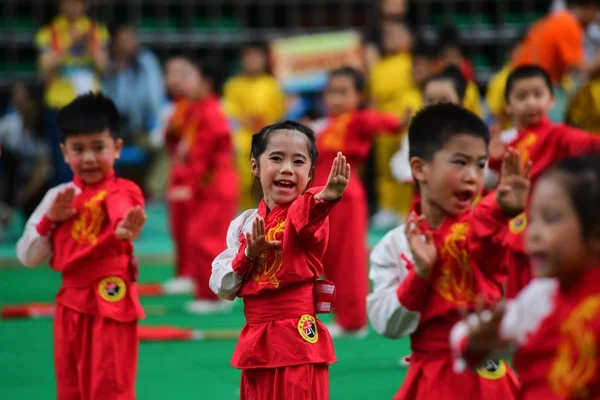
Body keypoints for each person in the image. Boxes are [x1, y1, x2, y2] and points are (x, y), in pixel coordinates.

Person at [367, 103, 528, 399]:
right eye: (460, 162)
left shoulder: (483, 227)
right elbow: (386, 324)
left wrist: (504, 211)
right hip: (432, 376)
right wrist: (421, 275)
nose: (472, 176)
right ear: (419, 168)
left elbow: (492, 253)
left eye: (480, 165)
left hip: (488, 375)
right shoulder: (394, 244)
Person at [15, 92, 146, 400]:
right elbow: (27, 257)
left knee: (110, 385)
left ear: (117, 149)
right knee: (70, 386)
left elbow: (120, 210)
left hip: (109, 299)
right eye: (78, 149)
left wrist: (123, 227)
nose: (88, 158)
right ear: (64, 153)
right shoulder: (57, 197)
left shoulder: (123, 191)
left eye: (98, 147)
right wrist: (51, 220)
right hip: (69, 304)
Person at [209, 121, 349, 399]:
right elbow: (222, 286)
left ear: (310, 175)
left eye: (298, 161)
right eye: (276, 158)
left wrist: (325, 200)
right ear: (254, 166)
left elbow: (307, 217)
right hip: (257, 340)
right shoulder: (245, 223)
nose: (287, 168)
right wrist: (248, 254)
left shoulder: (306, 217)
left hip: (296, 344)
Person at [451, 155, 600, 400]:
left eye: (550, 219)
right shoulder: (543, 296)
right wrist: (475, 342)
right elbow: (466, 337)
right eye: (532, 219)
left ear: (595, 236)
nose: (533, 233)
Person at [485, 65, 600, 298]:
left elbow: (591, 143)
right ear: (508, 105)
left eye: (537, 95)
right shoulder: (511, 141)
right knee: (517, 302)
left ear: (551, 100)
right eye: (522, 96)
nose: (530, 103)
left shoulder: (559, 134)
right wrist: (495, 160)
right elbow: (499, 183)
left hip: (545, 234)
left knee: (544, 298)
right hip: (514, 236)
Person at [314, 67, 408, 337]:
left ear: (359, 96)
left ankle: (353, 321)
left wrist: (398, 123)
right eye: (332, 92)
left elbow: (376, 121)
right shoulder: (325, 125)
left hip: (345, 195)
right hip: (320, 198)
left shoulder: (356, 120)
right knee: (325, 257)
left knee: (348, 258)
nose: (336, 98)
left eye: (344, 92)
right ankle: (332, 311)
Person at [172, 58, 240, 314]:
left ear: (206, 83)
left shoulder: (211, 112)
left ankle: (217, 295)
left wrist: (190, 184)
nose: (189, 85)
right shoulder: (198, 109)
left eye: (194, 79)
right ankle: (209, 292)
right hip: (208, 182)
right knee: (199, 236)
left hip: (215, 183)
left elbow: (203, 154)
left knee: (205, 237)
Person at [35, 0, 109, 184]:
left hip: (90, 105)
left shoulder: (96, 30)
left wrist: (90, 46)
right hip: (60, 104)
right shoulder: (49, 32)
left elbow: (103, 67)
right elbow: (44, 68)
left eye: (78, 3)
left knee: (92, 158)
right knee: (63, 160)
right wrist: (70, 43)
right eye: (68, 3)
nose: (73, 7)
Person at [223, 42, 286, 211]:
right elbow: (230, 112)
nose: (252, 62)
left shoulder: (272, 84)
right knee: (242, 175)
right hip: (242, 135)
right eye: (248, 58)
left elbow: (278, 110)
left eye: (256, 58)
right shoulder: (233, 85)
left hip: (267, 133)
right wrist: (246, 120)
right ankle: (244, 212)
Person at [369, 17, 415, 229]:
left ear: (409, 38)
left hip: (406, 120)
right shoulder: (378, 66)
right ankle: (387, 207)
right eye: (388, 36)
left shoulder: (412, 62)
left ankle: (405, 208)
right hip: (383, 124)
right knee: (384, 167)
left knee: (405, 165)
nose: (391, 39)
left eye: (397, 34)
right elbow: (373, 97)